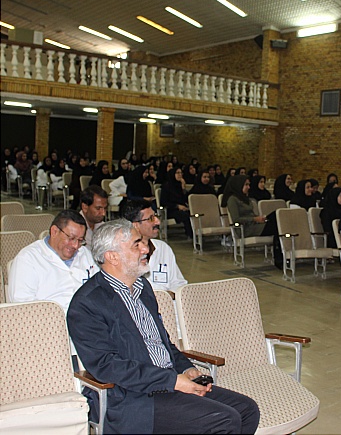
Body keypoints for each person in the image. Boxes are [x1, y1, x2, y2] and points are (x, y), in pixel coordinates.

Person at [66, 219, 260, 434]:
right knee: (224, 419)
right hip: (134, 396)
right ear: (112, 257)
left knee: (247, 409)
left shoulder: (143, 288)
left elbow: (163, 342)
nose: (145, 249)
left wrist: (186, 369)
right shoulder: (87, 303)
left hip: (168, 382)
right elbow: (107, 366)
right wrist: (172, 381)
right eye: (136, 244)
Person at [7, 210, 98, 313]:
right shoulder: (28, 259)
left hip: (88, 318)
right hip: (49, 320)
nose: (75, 245)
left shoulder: (85, 254)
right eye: (71, 238)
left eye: (80, 240)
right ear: (54, 231)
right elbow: (21, 307)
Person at [123, 200, 188, 293]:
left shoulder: (163, 248)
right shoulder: (123, 253)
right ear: (135, 225)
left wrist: (169, 296)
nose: (158, 222)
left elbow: (179, 284)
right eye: (151, 218)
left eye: (156, 216)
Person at [160, 167, 193, 239]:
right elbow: (163, 202)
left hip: (181, 209)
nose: (180, 175)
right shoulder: (166, 186)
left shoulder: (179, 186)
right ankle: (191, 235)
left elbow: (184, 199)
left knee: (193, 213)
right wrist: (177, 206)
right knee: (185, 215)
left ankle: (196, 234)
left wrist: (183, 188)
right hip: (170, 210)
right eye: (177, 173)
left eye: (181, 173)